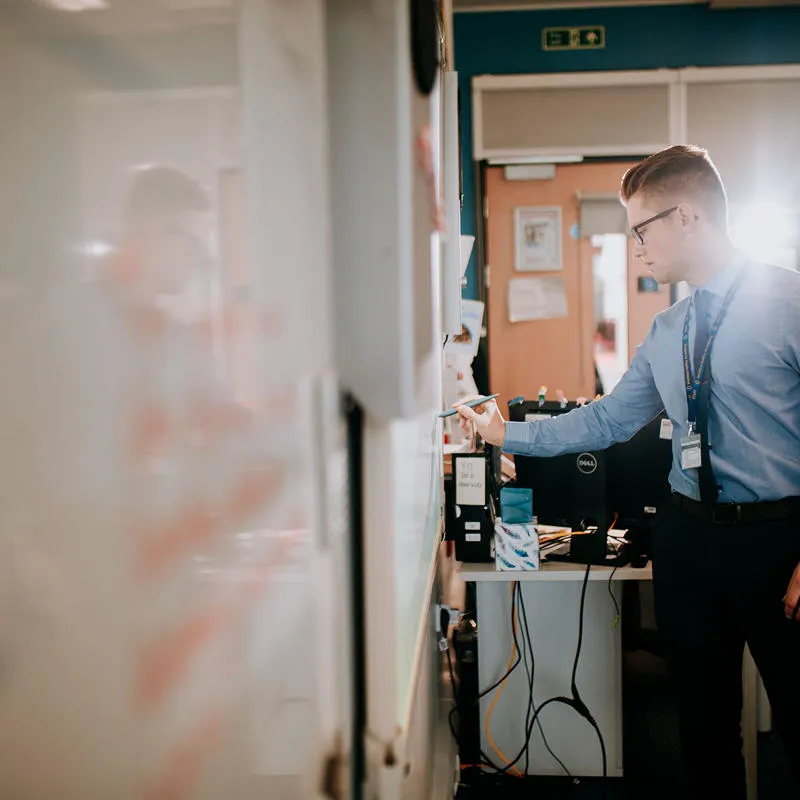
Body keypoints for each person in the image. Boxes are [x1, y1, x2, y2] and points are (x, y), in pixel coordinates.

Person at [456, 145, 800, 798]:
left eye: (642, 228)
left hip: (779, 541)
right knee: (703, 728)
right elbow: (608, 420)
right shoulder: (670, 328)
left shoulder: (787, 301)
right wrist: (507, 432)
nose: (636, 246)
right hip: (689, 542)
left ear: (690, 217)